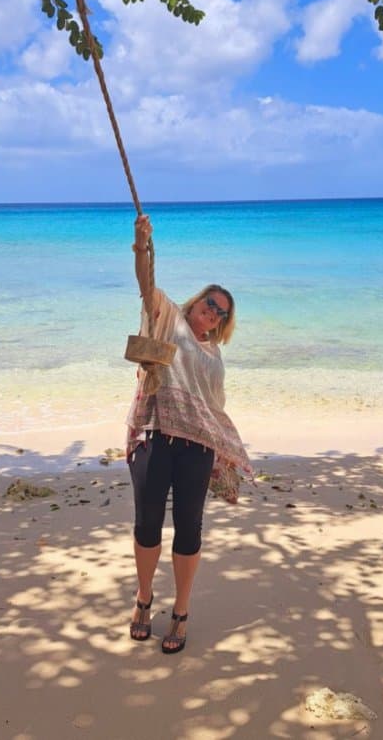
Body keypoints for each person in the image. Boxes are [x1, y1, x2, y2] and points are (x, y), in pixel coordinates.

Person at [126, 213, 250, 654]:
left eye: (222, 312)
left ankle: (181, 609)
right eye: (210, 303)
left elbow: (213, 409)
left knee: (189, 530)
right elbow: (146, 284)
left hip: (196, 448)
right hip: (157, 437)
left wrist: (222, 449)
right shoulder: (169, 319)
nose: (213, 312)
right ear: (197, 301)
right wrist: (143, 245)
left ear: (221, 323)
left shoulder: (215, 357)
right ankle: (144, 599)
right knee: (146, 525)